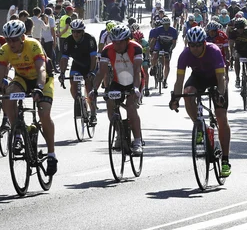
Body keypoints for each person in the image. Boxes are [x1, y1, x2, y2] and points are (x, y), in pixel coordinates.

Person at [0, 20, 57, 175]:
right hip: (22, 78)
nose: (11, 43)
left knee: (44, 114)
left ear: (22, 37)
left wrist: (40, 88)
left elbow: (41, 69)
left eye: (14, 39)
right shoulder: (4, 50)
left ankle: (51, 155)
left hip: (42, 80)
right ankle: (19, 131)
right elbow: (0, 71)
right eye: (8, 40)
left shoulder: (33, 45)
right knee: (7, 97)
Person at [169, 26, 231, 177]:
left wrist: (221, 94)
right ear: (188, 44)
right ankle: (198, 125)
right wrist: (176, 98)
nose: (195, 49)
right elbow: (179, 81)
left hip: (216, 78)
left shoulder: (214, 50)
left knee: (221, 116)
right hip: (199, 77)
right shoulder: (184, 55)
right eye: (192, 45)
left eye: (198, 45)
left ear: (204, 43)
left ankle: (225, 160)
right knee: (187, 92)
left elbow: (221, 78)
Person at [91, 25, 144, 155]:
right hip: (117, 81)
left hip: (134, 81)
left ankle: (137, 141)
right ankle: (119, 133)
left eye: (120, 42)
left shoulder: (136, 48)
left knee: (131, 107)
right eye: (114, 41)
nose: (117, 45)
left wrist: (136, 88)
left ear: (127, 40)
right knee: (110, 104)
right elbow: (101, 72)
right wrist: (94, 89)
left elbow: (137, 70)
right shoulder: (107, 50)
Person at [59, 19, 98, 125]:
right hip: (77, 65)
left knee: (89, 88)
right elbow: (64, 59)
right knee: (73, 84)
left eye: (79, 31)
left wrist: (91, 72)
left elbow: (94, 57)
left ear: (83, 31)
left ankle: (93, 114)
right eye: (74, 31)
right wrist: (62, 73)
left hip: (90, 65)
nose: (76, 34)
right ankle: (80, 102)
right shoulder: (68, 41)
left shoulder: (90, 39)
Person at [228, 18, 247, 104]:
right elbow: (231, 46)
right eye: (238, 28)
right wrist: (231, 56)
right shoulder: (233, 33)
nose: (240, 29)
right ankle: (237, 77)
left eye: (242, 28)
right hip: (239, 51)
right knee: (236, 57)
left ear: (244, 27)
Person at [148, 17, 178, 89]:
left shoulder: (173, 31)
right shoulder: (158, 30)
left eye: (168, 24)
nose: (166, 26)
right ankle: (153, 66)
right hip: (160, 43)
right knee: (155, 55)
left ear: (169, 24)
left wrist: (170, 50)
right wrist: (151, 49)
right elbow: (154, 40)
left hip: (168, 45)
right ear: (162, 24)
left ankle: (165, 80)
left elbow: (174, 43)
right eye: (165, 25)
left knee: (167, 62)